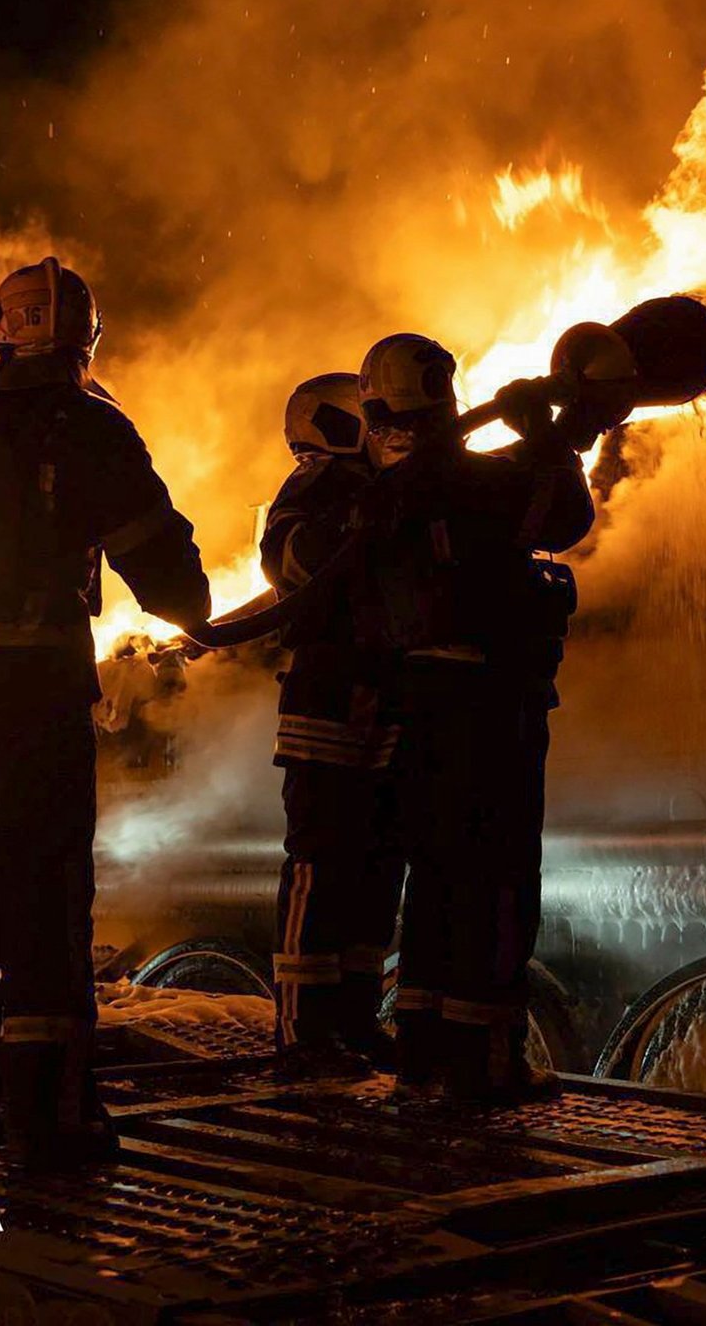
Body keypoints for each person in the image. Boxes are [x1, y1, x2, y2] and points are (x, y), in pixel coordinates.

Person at [0, 256, 210, 1168]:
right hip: (27, 684)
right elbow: (157, 552)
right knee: (41, 895)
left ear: (1, 326)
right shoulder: (88, 422)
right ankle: (48, 1120)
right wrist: (199, 616)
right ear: (84, 339)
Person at [355, 334, 594, 1103]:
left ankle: (424, 1055)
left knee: (434, 879)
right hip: (491, 703)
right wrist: (550, 439)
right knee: (494, 881)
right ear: (447, 394)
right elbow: (563, 515)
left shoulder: (385, 490)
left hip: (420, 703)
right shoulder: (471, 479)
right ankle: (486, 1062)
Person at [260, 373, 405, 1071]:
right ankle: (301, 1029)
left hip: (379, 688)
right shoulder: (315, 487)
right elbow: (292, 559)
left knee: (376, 862)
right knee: (320, 858)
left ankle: (353, 1014)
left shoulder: (385, 486)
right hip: (327, 693)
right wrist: (362, 515)